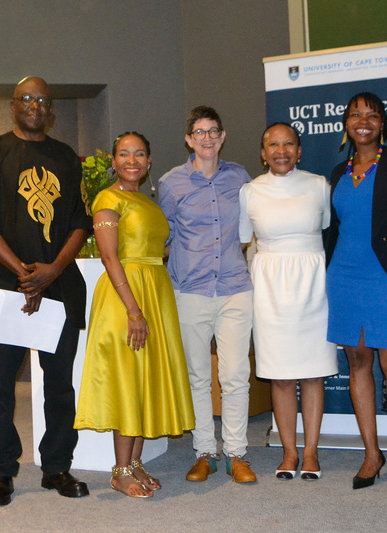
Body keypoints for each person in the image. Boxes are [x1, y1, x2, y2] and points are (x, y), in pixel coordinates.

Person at [0, 76, 92, 507]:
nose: (34, 105)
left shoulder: (65, 156)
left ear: (50, 108)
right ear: (12, 105)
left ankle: (57, 466)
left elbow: (80, 221)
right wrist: (25, 273)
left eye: (42, 99)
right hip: (7, 288)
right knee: (1, 385)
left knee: (59, 384)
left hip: (59, 287)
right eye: (26, 98)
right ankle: (1, 472)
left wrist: (52, 271)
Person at [75, 132, 195, 498]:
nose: (132, 160)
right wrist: (133, 310)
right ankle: (119, 469)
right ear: (113, 161)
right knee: (128, 379)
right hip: (125, 298)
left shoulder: (148, 203)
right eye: (124, 154)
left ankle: (135, 462)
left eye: (139, 154)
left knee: (144, 379)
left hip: (153, 292)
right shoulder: (107, 198)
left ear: (149, 161)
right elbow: (110, 257)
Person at [324, 92, 387, 490]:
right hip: (345, 278)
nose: (362, 121)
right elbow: (334, 229)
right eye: (355, 115)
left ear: (383, 123)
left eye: (371, 115)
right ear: (346, 124)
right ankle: (372, 453)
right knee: (359, 364)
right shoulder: (338, 171)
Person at [159, 106, 257, 483]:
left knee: (235, 375)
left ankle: (236, 453)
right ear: (189, 139)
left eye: (213, 131)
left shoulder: (240, 178)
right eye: (199, 132)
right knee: (198, 376)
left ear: (222, 136)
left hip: (235, 288)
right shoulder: (171, 184)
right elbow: (162, 237)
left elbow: (251, 228)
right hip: (191, 290)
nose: (207, 138)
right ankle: (205, 452)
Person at [239, 123, 337, 480]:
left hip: (312, 285)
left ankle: (311, 452)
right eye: (273, 145)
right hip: (269, 288)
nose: (281, 151)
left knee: (312, 374)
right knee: (280, 377)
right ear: (263, 153)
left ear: (300, 150)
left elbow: (325, 230)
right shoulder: (249, 191)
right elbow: (243, 240)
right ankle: (289, 453)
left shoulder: (319, 186)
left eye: (288, 144)